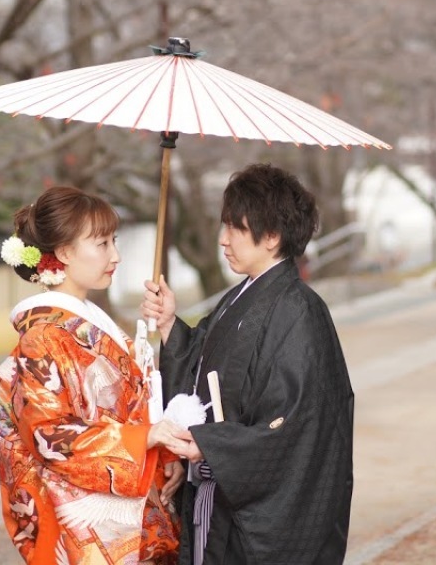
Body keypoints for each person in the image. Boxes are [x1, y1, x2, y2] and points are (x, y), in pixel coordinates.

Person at [141, 163, 354, 565]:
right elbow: (203, 366)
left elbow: (297, 425)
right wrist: (170, 323)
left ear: (271, 236)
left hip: (249, 509)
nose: (223, 240)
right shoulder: (239, 298)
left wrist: (212, 444)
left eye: (235, 228)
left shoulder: (300, 312)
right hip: (216, 491)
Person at [0, 184, 192, 565]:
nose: (115, 255)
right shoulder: (44, 334)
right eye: (102, 244)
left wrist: (162, 451)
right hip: (89, 524)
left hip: (133, 507)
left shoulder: (85, 322)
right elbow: (49, 436)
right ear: (64, 252)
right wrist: (146, 435)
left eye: (114, 241)